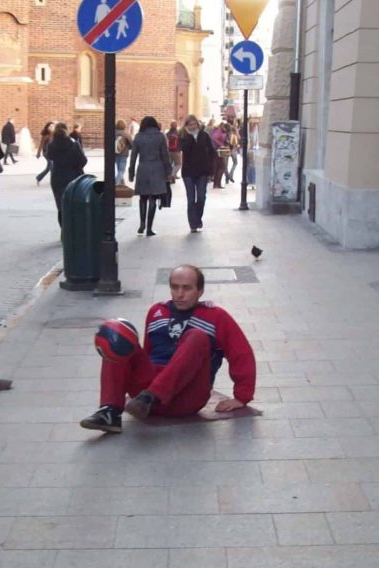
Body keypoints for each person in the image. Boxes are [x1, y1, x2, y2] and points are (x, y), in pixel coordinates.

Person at [80, 264, 255, 433]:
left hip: (187, 396)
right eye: (175, 287)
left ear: (200, 291)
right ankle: (110, 411)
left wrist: (242, 396)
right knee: (117, 334)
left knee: (197, 336)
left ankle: (152, 395)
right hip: (145, 399)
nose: (180, 294)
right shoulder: (157, 311)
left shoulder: (216, 316)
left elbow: (241, 354)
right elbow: (146, 354)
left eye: (187, 288)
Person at [128, 116, 172, 237]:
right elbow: (165, 155)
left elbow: (133, 157)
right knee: (153, 197)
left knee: (143, 197)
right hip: (157, 168)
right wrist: (169, 171)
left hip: (143, 167)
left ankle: (142, 223)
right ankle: (149, 228)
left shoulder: (138, 137)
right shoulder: (160, 136)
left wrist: (131, 172)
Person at [45, 122, 87, 230]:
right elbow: (83, 160)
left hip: (57, 177)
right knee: (73, 204)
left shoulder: (51, 145)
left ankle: (64, 229)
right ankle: (73, 229)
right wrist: (76, 166)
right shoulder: (73, 144)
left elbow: (49, 156)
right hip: (73, 176)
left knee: (60, 205)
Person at [178, 115, 215, 233]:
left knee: (201, 197)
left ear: (198, 125)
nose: (193, 127)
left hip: (202, 172)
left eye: (194, 124)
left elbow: (212, 153)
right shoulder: (184, 136)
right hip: (188, 172)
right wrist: (190, 137)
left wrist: (211, 170)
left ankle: (198, 218)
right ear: (187, 126)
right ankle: (193, 224)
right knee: (190, 199)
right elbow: (184, 149)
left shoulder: (205, 136)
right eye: (190, 125)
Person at [211, 123, 230, 189]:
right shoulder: (219, 131)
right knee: (221, 167)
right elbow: (214, 138)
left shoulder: (222, 131)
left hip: (220, 150)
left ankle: (216, 183)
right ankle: (217, 183)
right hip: (217, 150)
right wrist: (221, 144)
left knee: (220, 167)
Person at [113, 119, 131, 184]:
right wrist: (128, 148)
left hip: (115, 154)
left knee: (119, 169)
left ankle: (122, 183)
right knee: (121, 170)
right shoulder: (126, 134)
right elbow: (132, 144)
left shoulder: (113, 133)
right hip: (124, 154)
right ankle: (115, 183)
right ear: (124, 125)